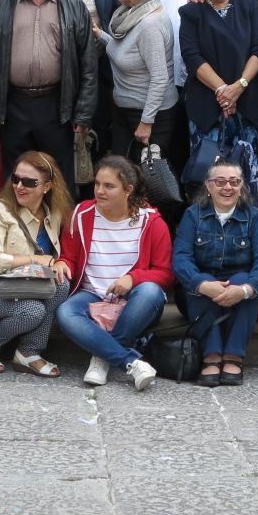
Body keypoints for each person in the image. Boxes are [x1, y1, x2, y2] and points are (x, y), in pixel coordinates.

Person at [0, 0, 97, 187]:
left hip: (57, 108)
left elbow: (88, 65)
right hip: (12, 108)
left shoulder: (74, 8)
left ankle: (59, 226)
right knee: (15, 179)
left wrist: (83, 112)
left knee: (59, 180)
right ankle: (18, 225)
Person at [56, 155, 172, 391]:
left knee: (150, 291)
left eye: (109, 186)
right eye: (97, 184)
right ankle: (130, 362)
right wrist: (61, 262)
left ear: (128, 190)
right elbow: (69, 257)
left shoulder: (151, 221)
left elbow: (166, 274)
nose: (99, 191)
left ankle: (102, 357)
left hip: (133, 300)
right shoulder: (81, 214)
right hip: (92, 294)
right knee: (65, 312)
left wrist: (133, 278)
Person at [0, 151, 73, 375]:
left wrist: (60, 262)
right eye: (15, 179)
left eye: (29, 182)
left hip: (24, 288)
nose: (19, 186)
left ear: (47, 186)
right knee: (32, 310)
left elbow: (56, 256)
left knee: (61, 284)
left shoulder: (54, 213)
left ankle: (29, 352)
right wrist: (34, 259)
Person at [172, 160, 258, 386]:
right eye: (220, 182)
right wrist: (201, 283)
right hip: (199, 291)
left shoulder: (254, 216)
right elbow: (180, 258)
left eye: (234, 182)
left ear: (242, 186)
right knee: (203, 281)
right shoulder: (193, 215)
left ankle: (234, 355)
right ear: (208, 186)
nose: (227, 187)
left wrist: (245, 290)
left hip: (245, 289)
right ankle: (212, 355)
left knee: (242, 280)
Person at [179, 0, 258, 183]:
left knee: (249, 178)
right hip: (207, 108)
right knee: (209, 180)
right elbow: (192, 56)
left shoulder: (249, 6)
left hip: (248, 105)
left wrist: (239, 86)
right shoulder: (191, 12)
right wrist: (223, 91)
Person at [99, 0, 178, 161]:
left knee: (148, 184)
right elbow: (127, 50)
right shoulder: (133, 11)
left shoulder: (149, 24)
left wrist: (146, 121)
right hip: (125, 111)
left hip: (148, 115)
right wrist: (100, 35)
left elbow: (159, 78)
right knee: (126, 178)